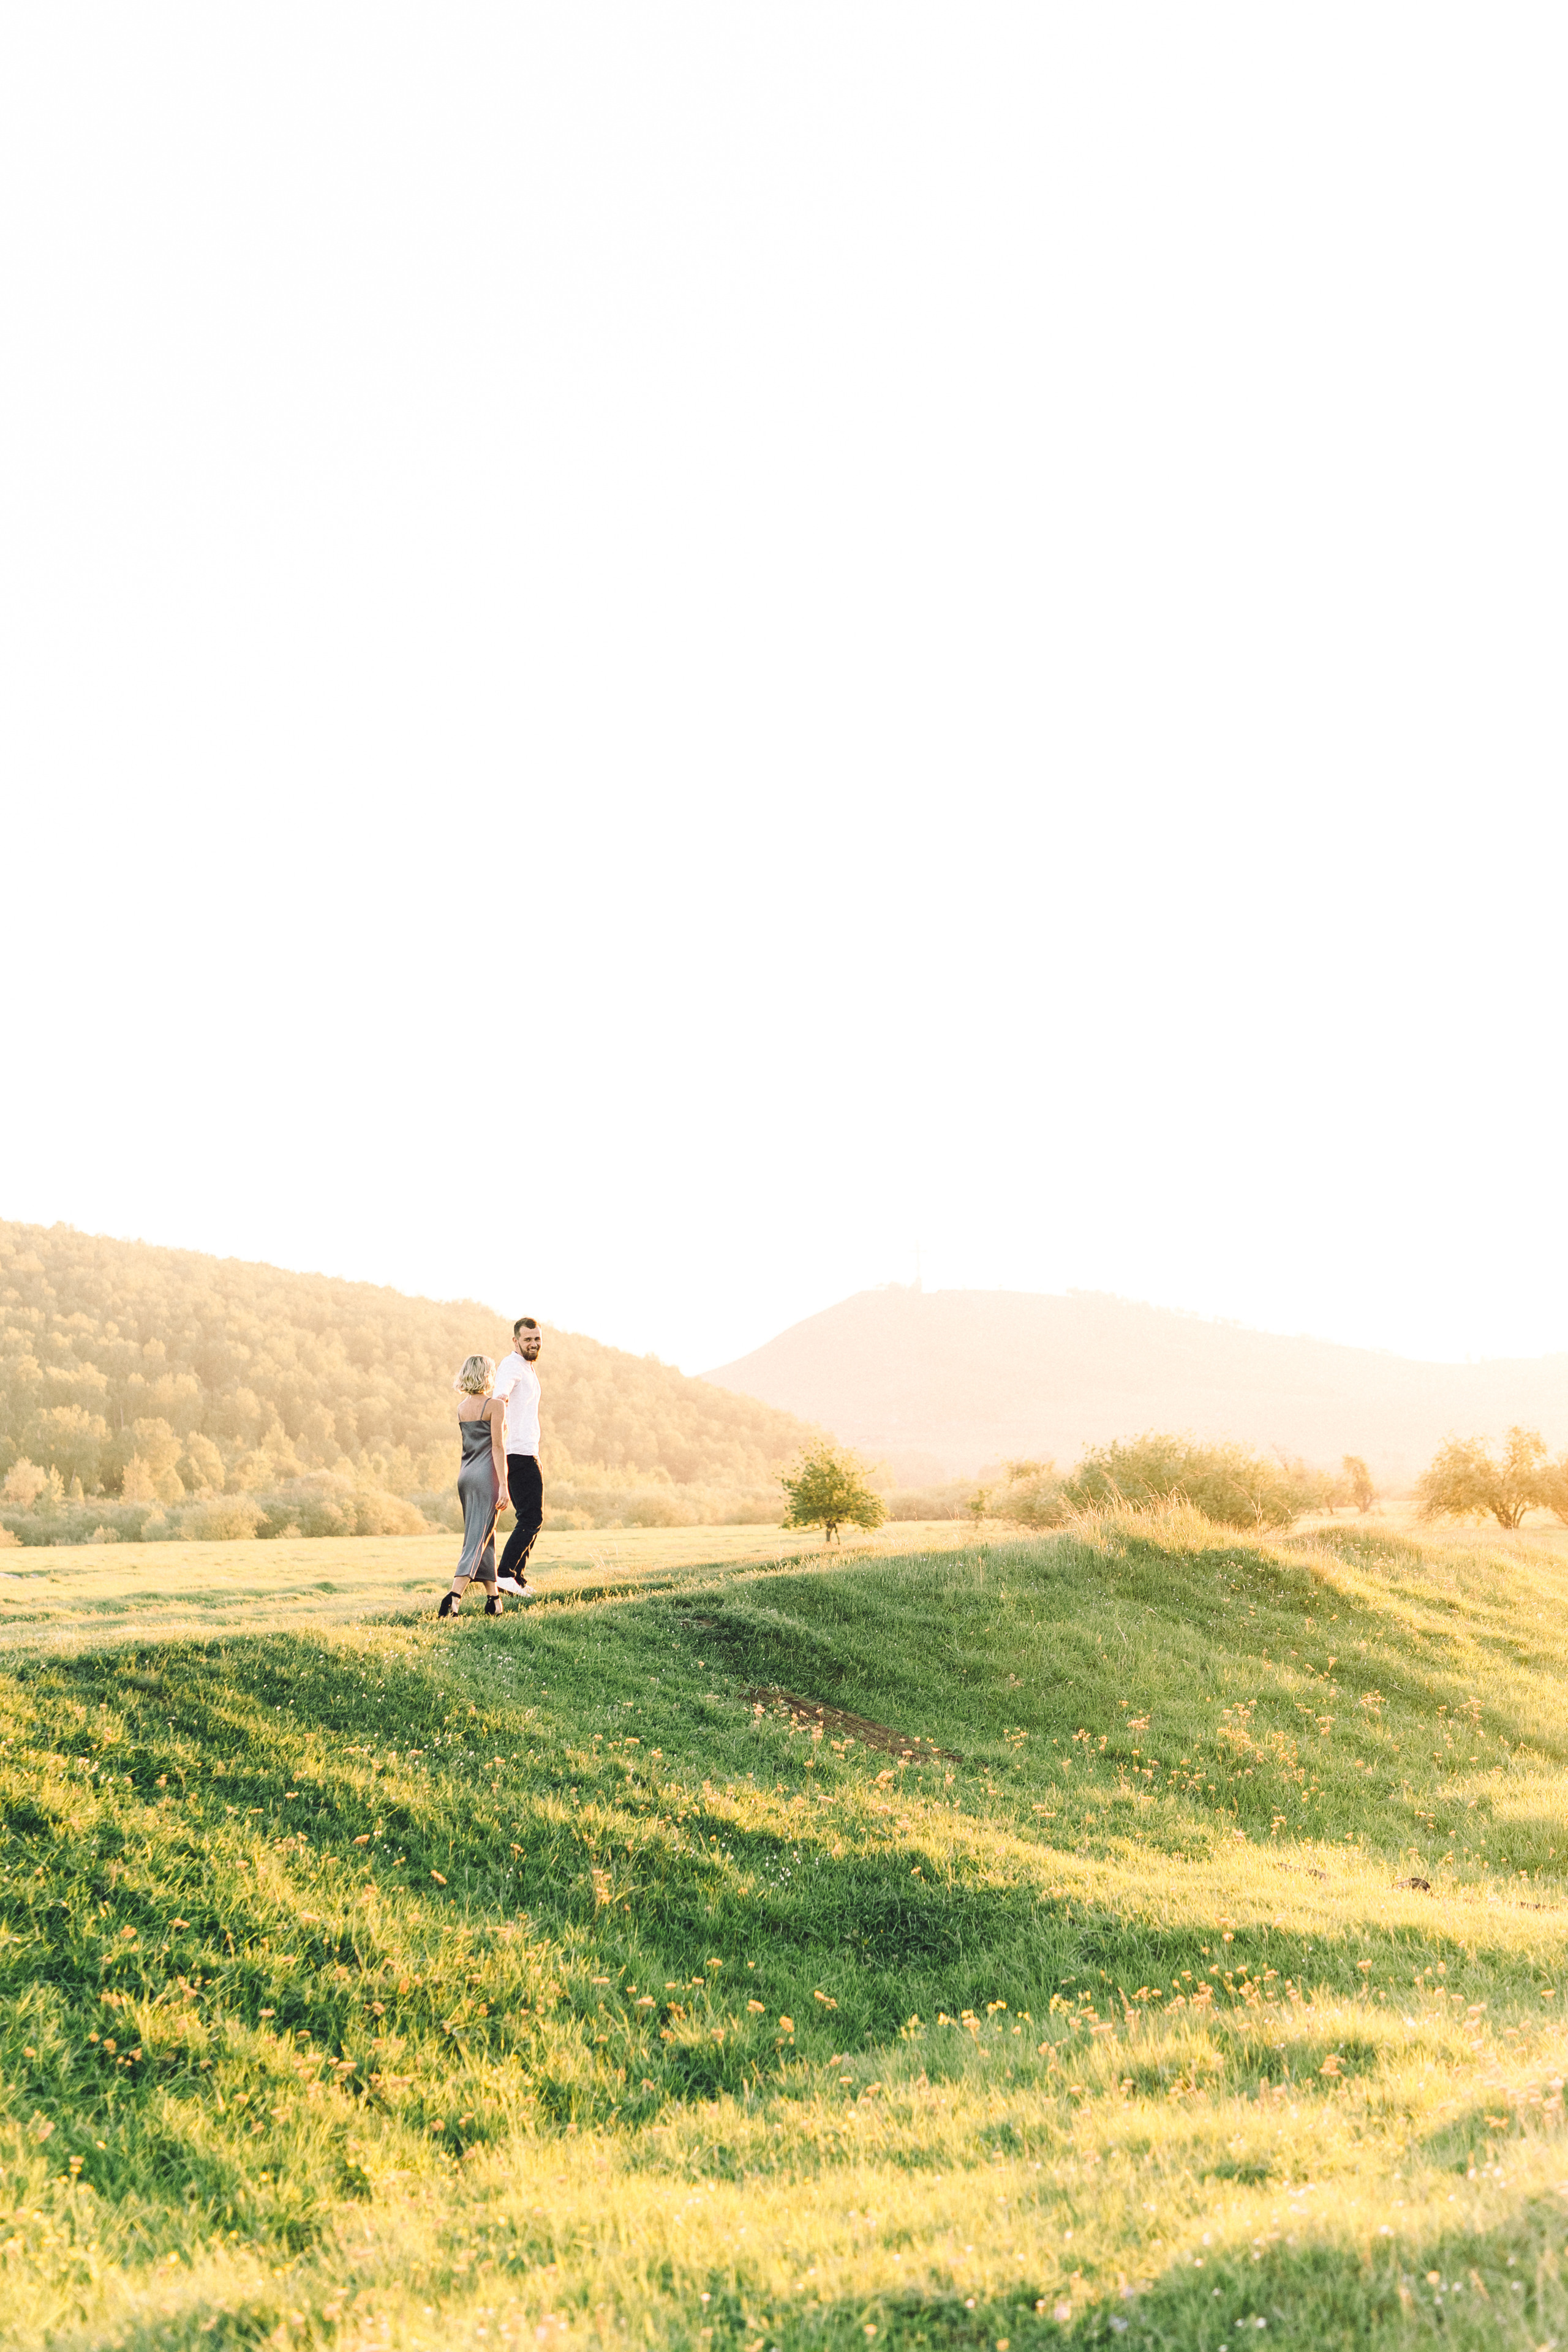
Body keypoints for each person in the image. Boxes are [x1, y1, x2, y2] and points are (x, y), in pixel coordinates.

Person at [437, 1355, 508, 1618]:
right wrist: (503, 1485)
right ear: (488, 1376)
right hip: (487, 1477)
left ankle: (494, 1601)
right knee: (476, 1541)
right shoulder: (496, 1405)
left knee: (484, 1536)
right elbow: (498, 1447)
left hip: (466, 1476)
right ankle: (453, 1598)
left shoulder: (461, 1408)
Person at [492, 1316, 544, 1596]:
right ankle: (505, 1575)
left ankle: (517, 1578)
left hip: (528, 1451)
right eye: (527, 1340)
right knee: (531, 1518)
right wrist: (500, 1400)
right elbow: (499, 1396)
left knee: (532, 1517)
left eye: (537, 1339)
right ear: (516, 1341)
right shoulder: (512, 1364)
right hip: (517, 1452)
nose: (533, 1344)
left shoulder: (527, 1367)